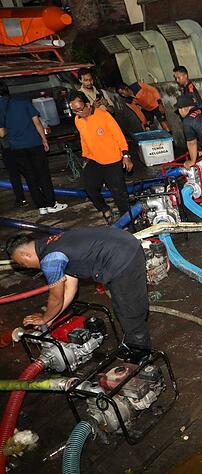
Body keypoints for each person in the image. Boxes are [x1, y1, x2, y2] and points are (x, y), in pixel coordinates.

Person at [6, 227, 152, 361]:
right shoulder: (50, 243)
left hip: (122, 255)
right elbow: (70, 289)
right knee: (124, 304)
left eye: (23, 264)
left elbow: (56, 298)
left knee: (129, 309)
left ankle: (141, 352)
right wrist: (51, 318)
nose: (26, 267)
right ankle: (133, 342)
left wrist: (45, 317)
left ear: (25, 255)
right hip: (123, 242)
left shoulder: (50, 260)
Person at [0, 81, 67, 214]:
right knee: (43, 174)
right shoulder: (22, 101)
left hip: (16, 147)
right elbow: (37, 123)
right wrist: (44, 139)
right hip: (34, 143)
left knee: (30, 177)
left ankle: (41, 206)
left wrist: (12, 130)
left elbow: (1, 133)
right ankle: (51, 204)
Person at [68, 91, 133, 224]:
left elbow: (119, 136)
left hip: (113, 160)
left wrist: (126, 155)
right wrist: (86, 156)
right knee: (89, 186)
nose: (77, 114)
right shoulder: (77, 120)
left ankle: (129, 222)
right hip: (95, 159)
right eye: (74, 111)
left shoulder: (104, 116)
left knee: (119, 193)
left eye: (79, 110)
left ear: (87, 104)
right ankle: (105, 209)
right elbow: (84, 138)